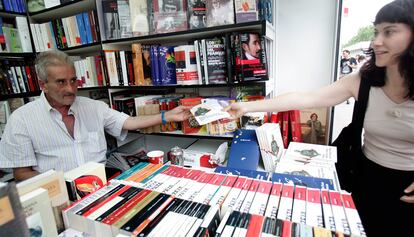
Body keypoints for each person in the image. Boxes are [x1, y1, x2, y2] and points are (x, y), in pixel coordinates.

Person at [226, 0, 414, 235]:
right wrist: (246, 107)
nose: (376, 41)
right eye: (376, 31)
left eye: (389, 32)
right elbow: (307, 98)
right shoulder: (362, 81)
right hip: (367, 179)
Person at [0, 50, 191, 181]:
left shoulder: (94, 107)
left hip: (100, 189)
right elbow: (22, 174)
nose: (70, 89)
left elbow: (129, 122)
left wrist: (168, 116)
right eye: (61, 82)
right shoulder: (21, 120)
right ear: (43, 85)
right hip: (57, 197)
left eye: (73, 80)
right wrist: (63, 185)